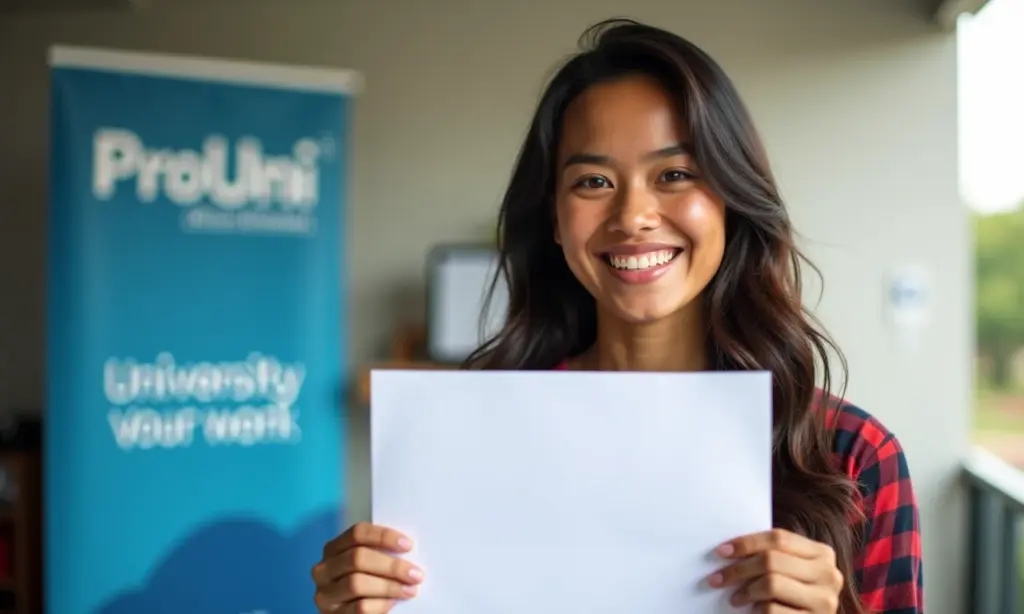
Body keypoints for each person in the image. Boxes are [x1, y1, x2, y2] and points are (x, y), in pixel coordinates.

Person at [312, 18, 923, 614]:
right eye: (593, 181)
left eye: (676, 174)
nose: (633, 214)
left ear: (733, 201)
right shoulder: (470, 436)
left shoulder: (850, 456)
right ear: (553, 218)